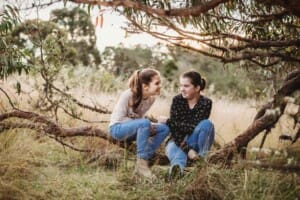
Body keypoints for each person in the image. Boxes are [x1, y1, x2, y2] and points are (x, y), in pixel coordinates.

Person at [109, 68, 170, 180]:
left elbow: (139, 118)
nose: (160, 85)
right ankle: (142, 166)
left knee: (164, 128)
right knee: (144, 123)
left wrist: (148, 125)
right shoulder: (128, 95)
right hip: (117, 129)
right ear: (145, 86)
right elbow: (120, 119)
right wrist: (145, 124)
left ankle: (146, 157)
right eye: (157, 83)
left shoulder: (151, 99)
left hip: (134, 128)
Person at [165, 70, 215, 180]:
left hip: (195, 140)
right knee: (178, 158)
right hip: (176, 141)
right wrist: (188, 150)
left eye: (186, 86)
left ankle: (201, 160)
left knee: (207, 124)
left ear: (197, 88)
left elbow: (193, 128)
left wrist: (168, 122)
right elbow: (174, 130)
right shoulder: (177, 100)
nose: (182, 89)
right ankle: (176, 173)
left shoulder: (205, 103)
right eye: (181, 85)